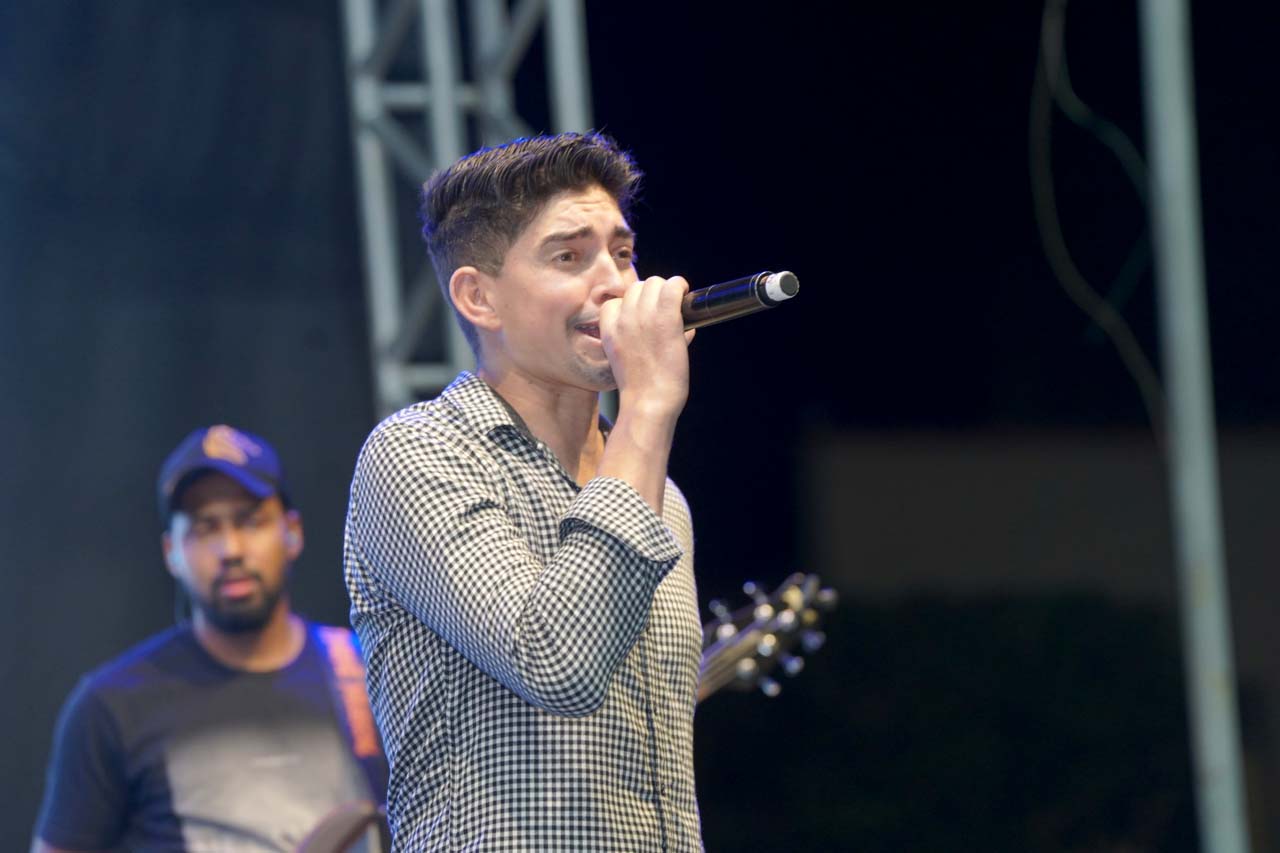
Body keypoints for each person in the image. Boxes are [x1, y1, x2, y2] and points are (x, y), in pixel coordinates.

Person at [343, 131, 703, 851]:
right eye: (569, 257)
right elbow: (556, 661)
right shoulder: (419, 453)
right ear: (479, 297)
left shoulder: (660, 497)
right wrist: (648, 403)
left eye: (622, 253)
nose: (616, 284)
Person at [33, 424, 388, 853]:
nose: (231, 550)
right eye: (204, 529)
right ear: (171, 553)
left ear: (292, 531)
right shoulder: (111, 705)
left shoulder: (370, 671)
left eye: (250, 521)